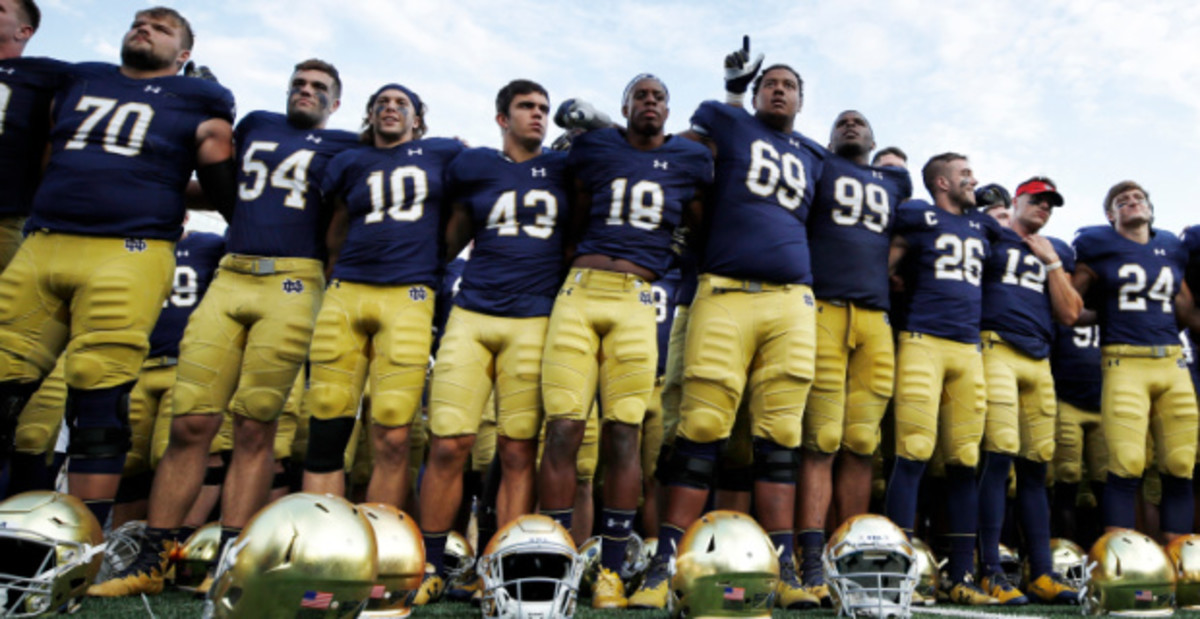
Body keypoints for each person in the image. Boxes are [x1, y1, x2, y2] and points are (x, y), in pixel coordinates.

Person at [91, 57, 354, 597]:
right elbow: (219, 182)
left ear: (336, 102)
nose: (306, 91)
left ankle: (232, 556)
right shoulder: (255, 122)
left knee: (256, 426)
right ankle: (153, 553)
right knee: (190, 422)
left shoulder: (343, 145)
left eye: (318, 88)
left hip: (294, 279)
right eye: (299, 83)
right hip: (233, 274)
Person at [0, 5, 234, 528]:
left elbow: (219, 168)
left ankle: (79, 543)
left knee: (99, 397)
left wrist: (238, 216)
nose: (145, 28)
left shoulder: (200, 96)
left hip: (129, 248)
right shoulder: (80, 76)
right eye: (139, 22)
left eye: (163, 27)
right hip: (45, 240)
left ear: (185, 53)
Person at [630, 38, 824, 611]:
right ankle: (664, 563)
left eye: (789, 85)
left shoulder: (813, 156)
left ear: (801, 100)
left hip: (793, 299)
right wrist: (735, 89)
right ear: (757, 91)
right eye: (772, 83)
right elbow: (679, 149)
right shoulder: (729, 122)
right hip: (724, 290)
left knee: (782, 436)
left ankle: (784, 565)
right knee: (702, 424)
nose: (780, 89)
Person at [539, 73, 711, 609]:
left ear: (668, 108)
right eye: (642, 95)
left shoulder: (687, 158)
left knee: (623, 433)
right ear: (626, 106)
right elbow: (578, 198)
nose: (651, 103)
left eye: (660, 95)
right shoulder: (597, 145)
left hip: (638, 295)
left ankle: (611, 568)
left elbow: (699, 220)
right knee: (564, 428)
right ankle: (556, 558)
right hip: (582, 289)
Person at [415, 79, 567, 604]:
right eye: (526, 107)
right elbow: (451, 233)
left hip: (534, 318)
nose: (538, 116)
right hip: (473, 313)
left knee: (517, 449)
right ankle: (430, 565)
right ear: (502, 117)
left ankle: (500, 567)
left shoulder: (563, 168)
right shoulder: (476, 165)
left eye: (543, 108)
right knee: (449, 443)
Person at [301, 82, 463, 509]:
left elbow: (467, 205)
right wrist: (333, 275)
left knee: (393, 430)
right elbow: (336, 226)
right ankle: (323, 544)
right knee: (327, 418)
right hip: (349, 289)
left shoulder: (444, 153)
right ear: (369, 114)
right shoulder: (350, 159)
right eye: (381, 103)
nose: (390, 108)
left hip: (408, 294)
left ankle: (380, 545)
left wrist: (434, 260)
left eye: (401, 103)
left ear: (418, 118)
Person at [794, 110, 911, 603]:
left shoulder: (895, 181)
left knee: (862, 442)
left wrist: (891, 264)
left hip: (875, 317)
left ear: (874, 138)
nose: (849, 126)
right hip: (824, 306)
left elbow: (909, 233)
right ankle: (811, 557)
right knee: (820, 438)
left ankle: (850, 551)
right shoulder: (818, 164)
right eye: (841, 121)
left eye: (859, 122)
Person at [883, 153, 1002, 605]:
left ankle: (962, 575)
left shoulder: (981, 226)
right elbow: (887, 264)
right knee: (912, 451)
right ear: (939, 182)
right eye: (964, 173)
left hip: (967, 348)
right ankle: (899, 572)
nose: (973, 179)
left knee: (965, 459)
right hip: (922, 340)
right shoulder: (919, 215)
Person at [1072, 181, 1200, 541]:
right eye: (1122, 201)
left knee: (1180, 463)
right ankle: (1122, 556)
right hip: (1124, 361)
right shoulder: (1097, 245)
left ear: (1151, 209)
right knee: (1127, 462)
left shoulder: (1172, 248)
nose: (1132, 202)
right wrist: (1107, 315)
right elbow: (1071, 307)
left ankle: (1179, 559)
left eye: (1139, 198)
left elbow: (1185, 306)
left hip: (1171, 362)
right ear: (1110, 215)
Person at [975, 177, 1081, 604]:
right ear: (1016, 201)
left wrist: (1053, 263)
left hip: (1039, 359)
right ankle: (990, 570)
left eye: (1049, 204)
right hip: (995, 345)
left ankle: (1041, 572)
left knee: (1038, 467)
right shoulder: (990, 235)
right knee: (997, 456)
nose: (1043, 208)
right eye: (1036, 200)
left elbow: (1071, 313)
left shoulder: (1053, 249)